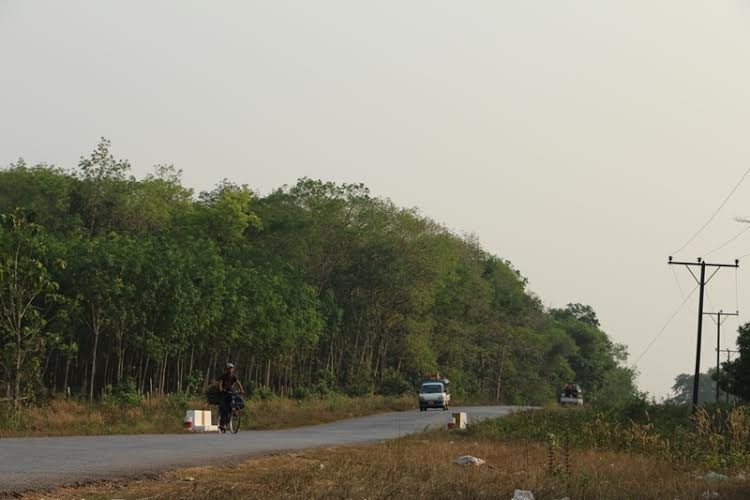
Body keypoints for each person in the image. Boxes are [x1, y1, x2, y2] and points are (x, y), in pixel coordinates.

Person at [216, 363, 244, 432]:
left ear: (233, 369)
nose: (230, 370)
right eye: (229, 368)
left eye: (231, 368)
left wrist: (241, 390)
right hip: (225, 392)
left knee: (237, 400)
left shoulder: (233, 376)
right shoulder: (224, 376)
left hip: (231, 390)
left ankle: (234, 410)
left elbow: (238, 383)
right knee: (223, 408)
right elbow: (220, 383)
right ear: (226, 369)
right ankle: (222, 424)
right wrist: (221, 389)